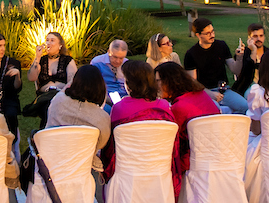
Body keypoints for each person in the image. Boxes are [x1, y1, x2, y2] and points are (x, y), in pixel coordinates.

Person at [102, 61, 179, 195]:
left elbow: (111, 147)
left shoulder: (120, 108)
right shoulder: (164, 106)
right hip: (159, 169)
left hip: (129, 172)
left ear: (130, 83)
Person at [155, 61, 220, 177]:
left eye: (157, 81)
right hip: (217, 155)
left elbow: (169, 140)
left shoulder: (178, 108)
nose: (155, 86)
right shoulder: (202, 95)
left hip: (193, 162)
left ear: (168, 81)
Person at [45, 64, 112, 173]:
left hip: (51, 162)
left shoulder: (58, 101)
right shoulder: (102, 118)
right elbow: (101, 143)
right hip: (82, 169)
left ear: (74, 83)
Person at [184, 18, 239, 102]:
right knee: (216, 111)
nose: (212, 35)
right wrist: (210, 93)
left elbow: (234, 69)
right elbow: (193, 82)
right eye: (208, 33)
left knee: (244, 107)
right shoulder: (191, 54)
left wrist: (240, 57)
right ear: (198, 35)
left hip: (224, 90)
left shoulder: (221, 46)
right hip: (204, 92)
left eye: (213, 31)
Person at [24, 31, 75, 119]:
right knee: (48, 105)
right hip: (44, 96)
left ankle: (45, 129)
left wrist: (61, 92)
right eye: (47, 40)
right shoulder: (41, 60)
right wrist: (37, 57)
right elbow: (31, 78)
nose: (48, 43)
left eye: (52, 40)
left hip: (62, 95)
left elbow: (72, 81)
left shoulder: (68, 60)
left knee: (52, 105)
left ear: (60, 46)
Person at [90, 40, 132, 111]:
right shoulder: (97, 62)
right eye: (115, 57)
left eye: (121, 58)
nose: (118, 61)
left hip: (125, 97)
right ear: (109, 52)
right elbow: (93, 86)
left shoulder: (127, 64)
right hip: (105, 98)